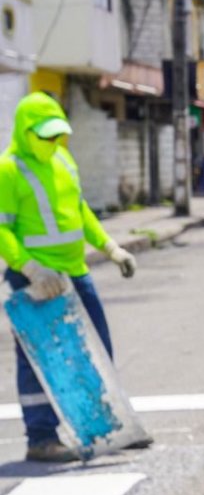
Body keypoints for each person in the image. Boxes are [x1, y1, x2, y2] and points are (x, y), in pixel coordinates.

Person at [0, 92, 141, 462]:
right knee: (37, 359)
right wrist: (29, 268)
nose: (53, 142)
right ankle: (41, 437)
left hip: (75, 271)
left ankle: (109, 426)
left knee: (98, 351)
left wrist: (111, 248)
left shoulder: (63, 159)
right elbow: (2, 230)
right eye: (45, 136)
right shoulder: (9, 169)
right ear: (25, 131)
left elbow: (79, 211)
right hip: (34, 278)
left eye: (56, 134)